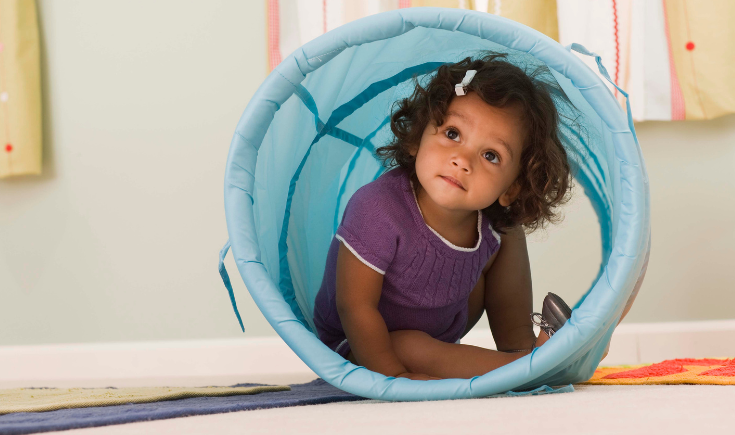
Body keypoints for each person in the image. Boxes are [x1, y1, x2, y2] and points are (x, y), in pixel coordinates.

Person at [312, 52, 590, 381]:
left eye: (490, 155)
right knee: (409, 346)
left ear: (511, 188)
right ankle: (533, 368)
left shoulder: (492, 223)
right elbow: (353, 307)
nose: (462, 159)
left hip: (442, 323)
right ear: (417, 136)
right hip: (359, 344)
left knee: (506, 229)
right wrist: (392, 381)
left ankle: (522, 352)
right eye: (453, 134)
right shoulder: (377, 208)